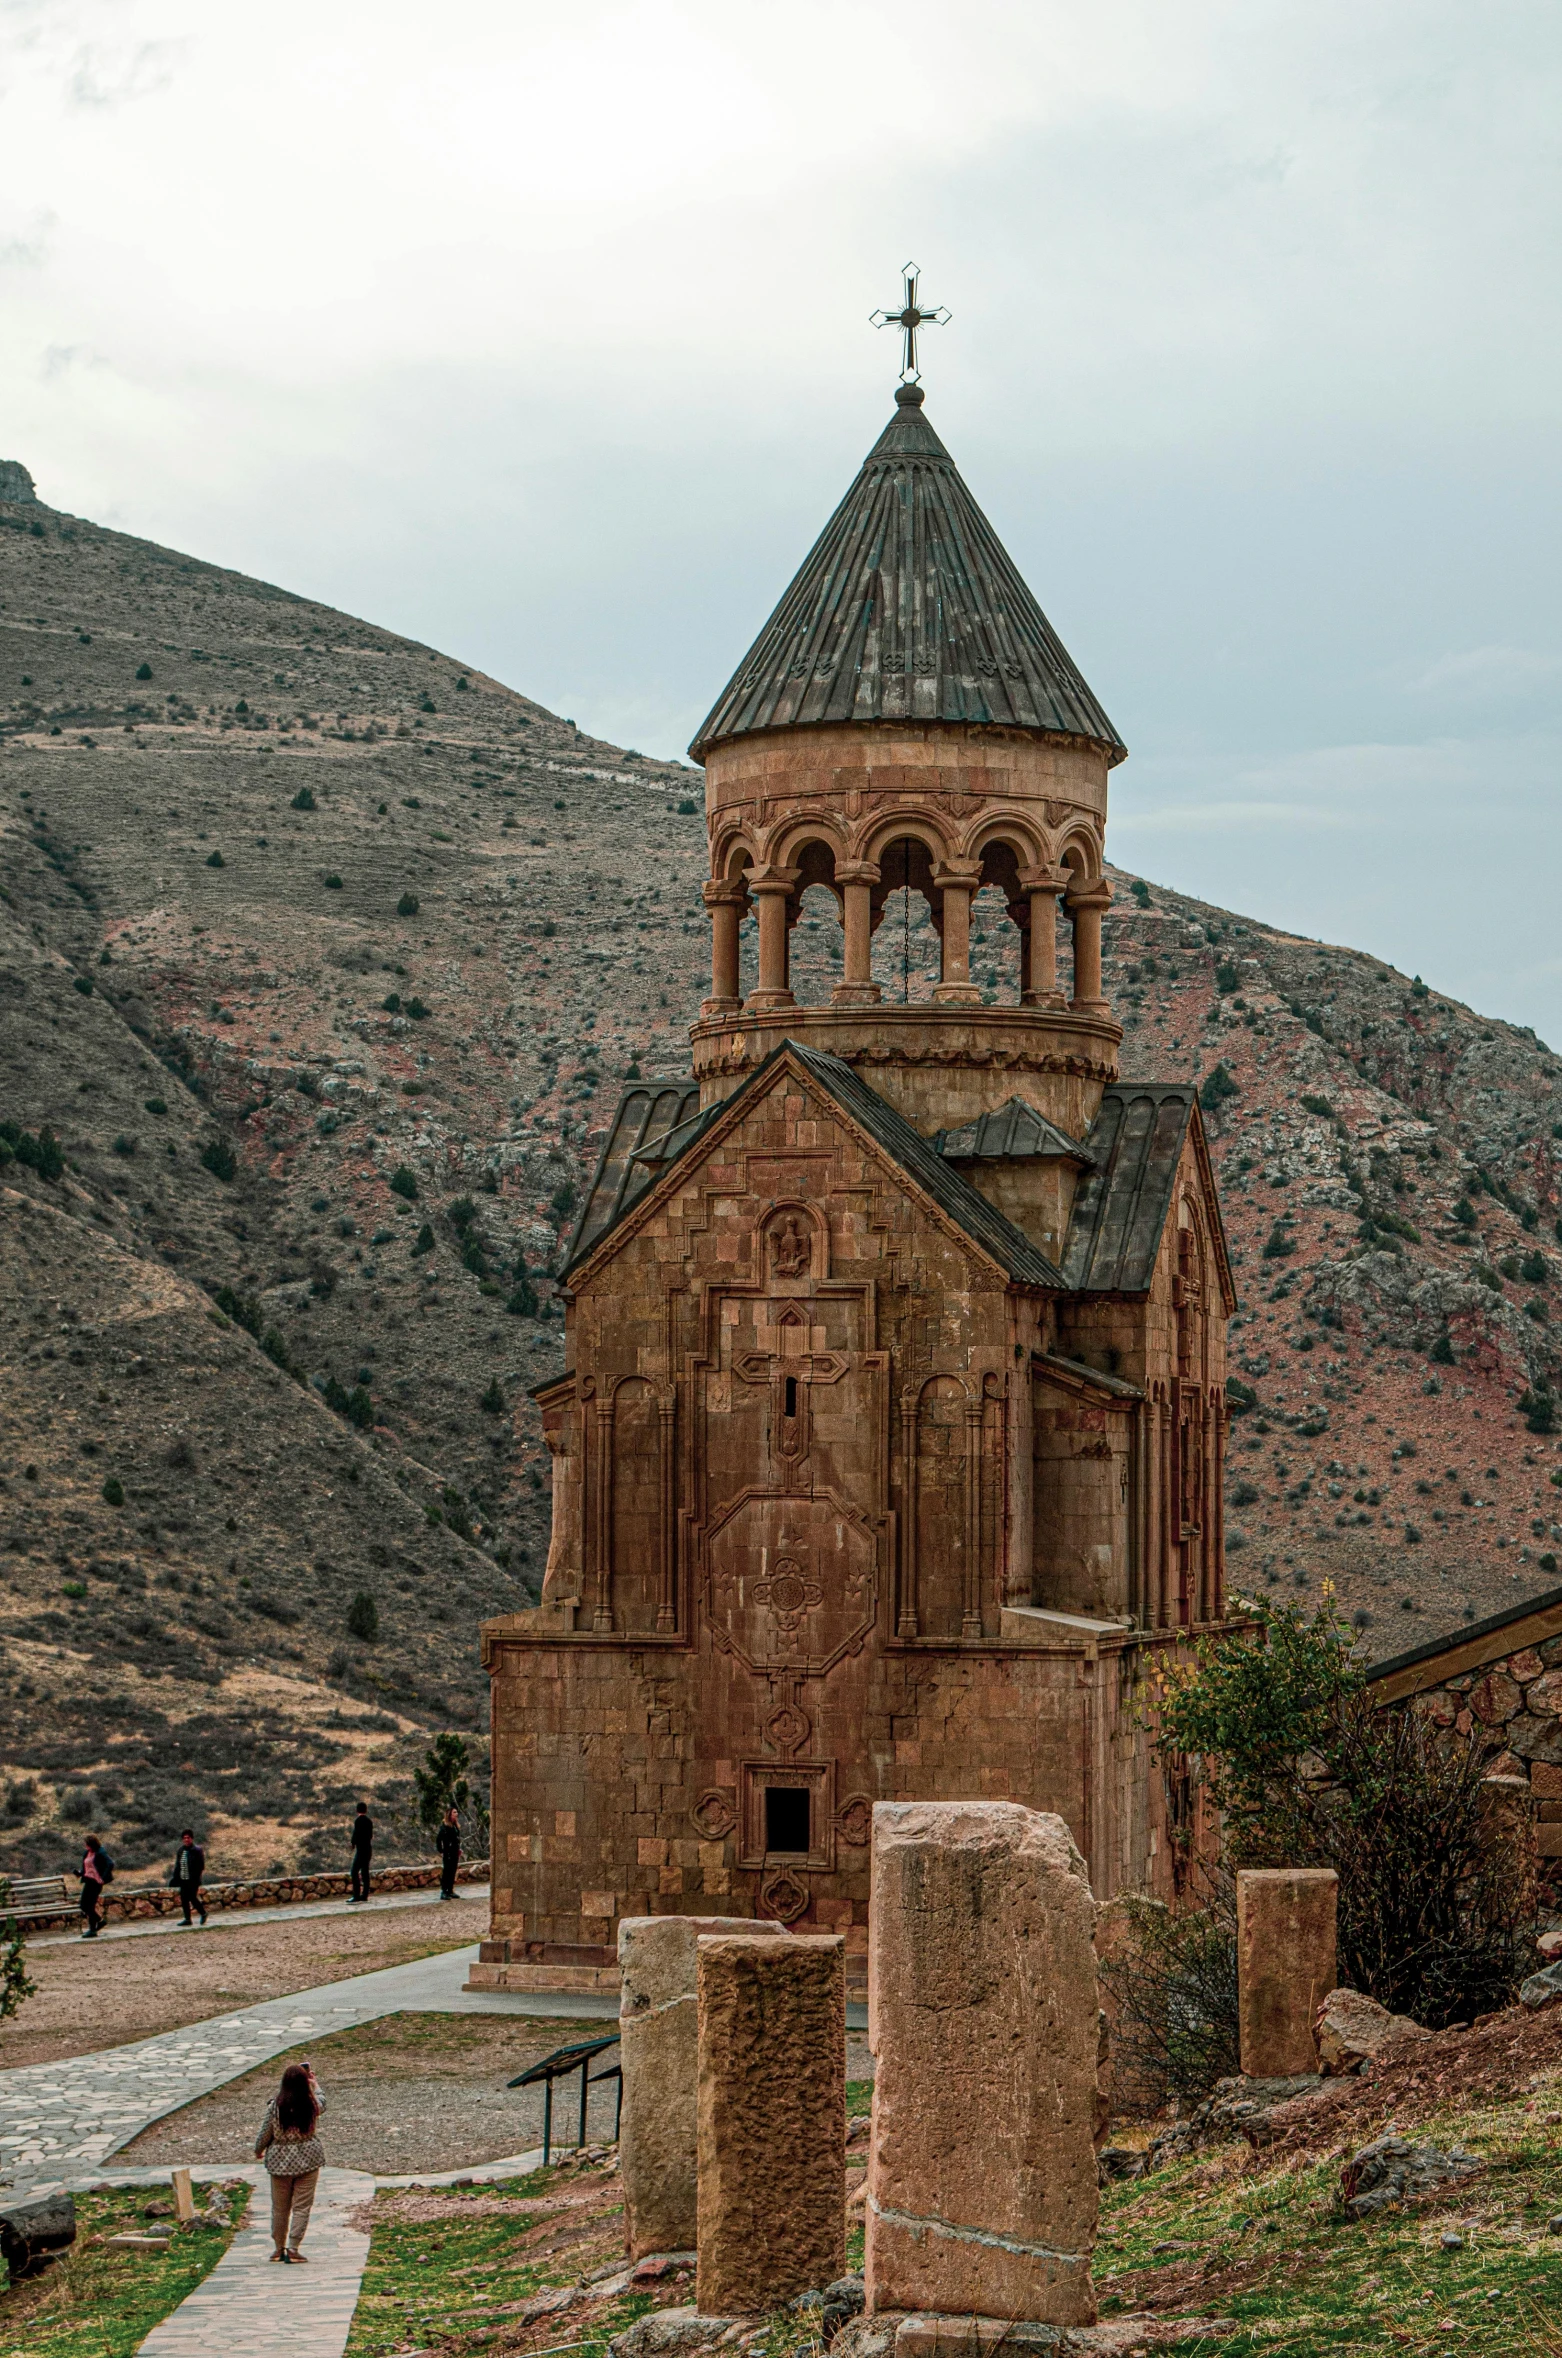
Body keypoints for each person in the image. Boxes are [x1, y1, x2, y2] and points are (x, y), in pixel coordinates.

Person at [255, 2061, 325, 2263]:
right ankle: (294, 2247)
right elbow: (323, 2101)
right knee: (302, 2206)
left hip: (280, 2162)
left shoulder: (275, 2107)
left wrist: (258, 2150)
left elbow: (265, 2133)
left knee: (279, 2207)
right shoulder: (311, 2105)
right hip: (308, 2159)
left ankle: (278, 2248)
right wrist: (315, 2084)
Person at [170, 1829, 207, 1927]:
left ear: (191, 1838)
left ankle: (203, 1913)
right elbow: (178, 1865)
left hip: (193, 1880)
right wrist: (175, 1878)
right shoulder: (181, 1851)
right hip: (183, 1880)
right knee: (184, 1899)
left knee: (192, 1898)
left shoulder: (197, 1850)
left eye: (188, 1838)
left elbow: (201, 1866)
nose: (186, 1840)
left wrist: (195, 1877)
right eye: (184, 1838)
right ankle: (187, 1919)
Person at [79, 1834, 111, 1938]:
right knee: (84, 1905)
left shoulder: (100, 1852)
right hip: (88, 1880)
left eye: (87, 1844)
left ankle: (93, 1929)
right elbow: (86, 1866)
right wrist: (81, 1873)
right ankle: (98, 1923)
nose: (85, 1846)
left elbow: (110, 1864)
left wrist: (103, 1877)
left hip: (95, 1882)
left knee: (89, 1905)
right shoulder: (87, 1853)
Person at [349, 1801, 373, 1903]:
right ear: (366, 1810)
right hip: (368, 1849)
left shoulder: (358, 1821)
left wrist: (353, 1843)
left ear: (357, 1810)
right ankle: (365, 1895)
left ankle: (356, 1895)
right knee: (365, 1872)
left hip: (361, 1850)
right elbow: (370, 1835)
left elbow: (356, 1834)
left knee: (354, 1872)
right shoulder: (369, 1821)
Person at [436, 1804, 461, 1900]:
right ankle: (444, 1891)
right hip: (448, 1852)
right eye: (454, 1812)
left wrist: (459, 1848)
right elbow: (439, 1839)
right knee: (447, 1871)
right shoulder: (445, 1827)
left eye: (456, 1812)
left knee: (453, 1871)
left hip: (455, 1852)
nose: (456, 1814)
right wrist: (441, 1851)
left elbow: (457, 1839)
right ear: (449, 1814)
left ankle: (450, 1890)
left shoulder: (455, 1826)